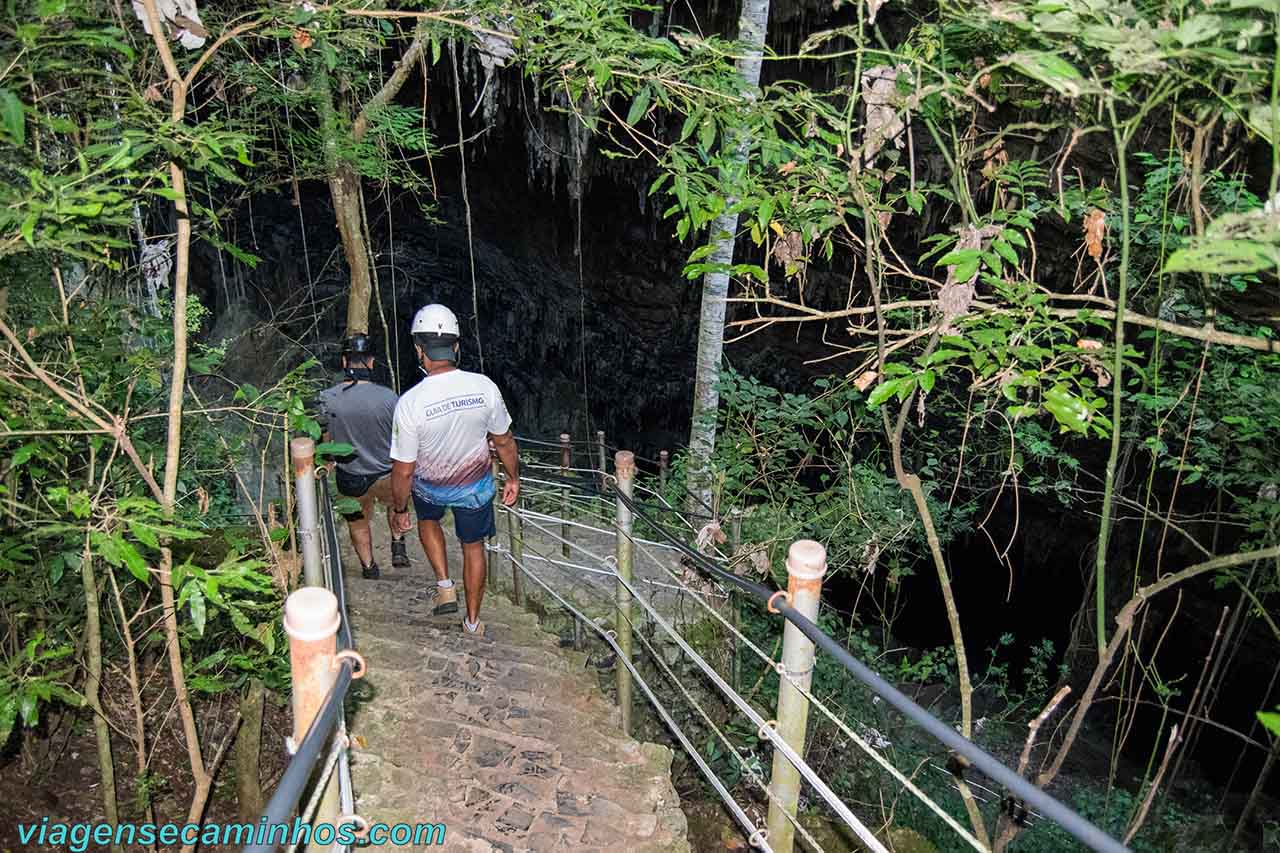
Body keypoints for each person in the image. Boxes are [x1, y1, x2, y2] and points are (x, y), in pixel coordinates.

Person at [389, 304, 519, 635]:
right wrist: (513, 477)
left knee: (428, 520)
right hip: (475, 486)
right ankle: (473, 622)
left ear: (419, 350)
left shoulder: (410, 403)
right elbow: (503, 441)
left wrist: (400, 507)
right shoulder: (484, 387)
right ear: (456, 347)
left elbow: (403, 470)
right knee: (473, 548)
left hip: (429, 485)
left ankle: (445, 585)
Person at [317, 334, 411, 579]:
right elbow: (401, 438)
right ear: (371, 363)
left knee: (358, 523)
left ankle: (369, 567)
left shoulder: (328, 398)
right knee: (396, 504)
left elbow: (325, 438)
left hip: (351, 476)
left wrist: (327, 462)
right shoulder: (389, 398)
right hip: (386, 473)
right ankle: (398, 541)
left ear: (344, 361)